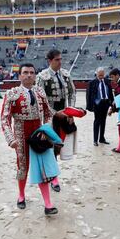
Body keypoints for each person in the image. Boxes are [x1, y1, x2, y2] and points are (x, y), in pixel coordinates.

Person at [1, 63, 66, 215]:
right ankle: (21, 195)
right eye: (25, 72)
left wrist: (46, 130)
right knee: (23, 166)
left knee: (42, 166)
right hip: (20, 134)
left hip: (38, 133)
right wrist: (11, 139)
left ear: (35, 75)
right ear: (19, 76)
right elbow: (5, 119)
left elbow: (49, 113)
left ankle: (48, 204)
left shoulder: (40, 91)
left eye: (31, 72)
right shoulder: (12, 93)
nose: (29, 75)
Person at [36, 49, 76, 192]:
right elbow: (40, 99)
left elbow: (72, 93)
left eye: (60, 59)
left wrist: (70, 112)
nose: (60, 62)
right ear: (50, 61)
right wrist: (54, 113)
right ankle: (53, 177)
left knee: (59, 146)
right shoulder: (42, 77)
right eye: (57, 60)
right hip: (49, 117)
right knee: (50, 147)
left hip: (64, 115)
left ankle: (52, 174)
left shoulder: (65, 74)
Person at [86, 67, 114, 146]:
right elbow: (88, 95)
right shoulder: (92, 83)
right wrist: (90, 105)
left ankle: (101, 138)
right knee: (97, 121)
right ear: (96, 74)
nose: (101, 77)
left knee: (103, 121)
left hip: (105, 103)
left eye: (102, 75)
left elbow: (110, 93)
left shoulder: (107, 81)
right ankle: (95, 140)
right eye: (100, 75)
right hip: (97, 104)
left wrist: (112, 103)